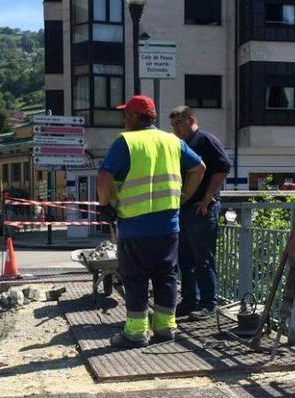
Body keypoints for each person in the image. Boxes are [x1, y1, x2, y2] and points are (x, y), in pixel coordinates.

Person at [96, 95, 206, 349]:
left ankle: (136, 333)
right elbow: (199, 168)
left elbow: (104, 178)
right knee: (166, 275)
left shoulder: (127, 142)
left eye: (126, 115)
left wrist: (104, 206)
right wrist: (184, 197)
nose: (124, 120)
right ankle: (165, 328)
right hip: (168, 225)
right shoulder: (172, 141)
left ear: (134, 117)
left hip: (135, 226)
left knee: (135, 277)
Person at [169, 105, 232, 320]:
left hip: (201, 207)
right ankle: (189, 301)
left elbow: (223, 167)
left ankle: (208, 303)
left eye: (179, 123)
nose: (176, 128)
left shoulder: (205, 140)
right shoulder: (183, 144)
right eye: (173, 125)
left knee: (202, 258)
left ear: (191, 119)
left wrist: (208, 197)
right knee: (185, 258)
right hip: (186, 207)